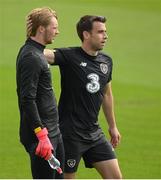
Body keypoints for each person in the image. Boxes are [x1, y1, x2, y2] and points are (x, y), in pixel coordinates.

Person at [44, 15, 122, 179]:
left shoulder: (106, 61)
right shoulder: (70, 56)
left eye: (105, 32)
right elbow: (41, 53)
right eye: (100, 32)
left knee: (116, 177)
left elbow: (107, 94)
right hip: (70, 135)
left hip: (94, 133)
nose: (105, 36)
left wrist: (112, 126)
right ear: (86, 34)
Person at [16, 7, 64, 179]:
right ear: (41, 28)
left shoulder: (36, 52)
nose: (57, 32)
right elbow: (27, 99)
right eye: (54, 27)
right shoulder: (32, 57)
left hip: (53, 132)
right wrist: (41, 135)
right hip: (43, 136)